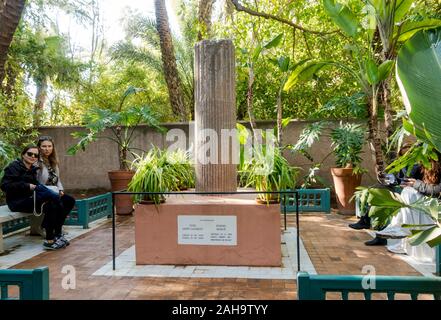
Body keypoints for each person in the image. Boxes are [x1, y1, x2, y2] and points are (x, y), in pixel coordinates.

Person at [349, 143, 423, 246]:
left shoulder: (418, 164)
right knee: (375, 191)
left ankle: (367, 222)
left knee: (378, 194)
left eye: (408, 153)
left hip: (411, 192)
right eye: (403, 154)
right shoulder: (401, 163)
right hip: (400, 188)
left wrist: (398, 180)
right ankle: (367, 222)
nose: (406, 156)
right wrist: (387, 177)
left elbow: (411, 180)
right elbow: (398, 177)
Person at [376, 152, 441, 262]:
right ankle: (398, 228)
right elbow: (407, 179)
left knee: (409, 193)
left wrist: (416, 184)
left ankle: (399, 228)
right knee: (407, 192)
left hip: (436, 206)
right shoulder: (423, 166)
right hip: (428, 203)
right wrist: (392, 178)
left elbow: (436, 191)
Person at [0, 145, 66, 250]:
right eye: (30, 154)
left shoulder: (32, 169)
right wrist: (27, 186)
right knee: (56, 201)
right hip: (17, 202)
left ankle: (53, 237)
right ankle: (53, 237)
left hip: (30, 199)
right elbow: (5, 186)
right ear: (23, 155)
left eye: (35, 155)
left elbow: (36, 185)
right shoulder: (14, 167)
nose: (32, 156)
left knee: (54, 204)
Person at [37, 135, 75, 246]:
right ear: (39, 147)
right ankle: (51, 235)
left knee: (69, 200)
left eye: (49, 146)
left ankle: (57, 230)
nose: (47, 149)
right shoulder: (36, 162)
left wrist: (60, 190)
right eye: (44, 146)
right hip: (42, 194)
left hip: (54, 192)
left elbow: (57, 179)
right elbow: (37, 182)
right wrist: (52, 192)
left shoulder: (53, 161)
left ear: (53, 148)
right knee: (54, 205)